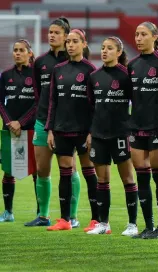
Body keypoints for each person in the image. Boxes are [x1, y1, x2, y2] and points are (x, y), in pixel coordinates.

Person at [27, 17, 82, 227]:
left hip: (66, 124)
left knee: (69, 167)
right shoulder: (40, 62)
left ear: (66, 36)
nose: (51, 35)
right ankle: (43, 216)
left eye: (56, 32)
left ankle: (73, 217)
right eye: (50, 32)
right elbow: (39, 94)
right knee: (42, 169)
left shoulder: (74, 60)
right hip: (43, 121)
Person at [45, 29, 98, 231]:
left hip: (83, 131)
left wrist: (92, 131)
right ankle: (64, 220)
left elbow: (95, 105)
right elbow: (52, 102)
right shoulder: (58, 70)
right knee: (64, 173)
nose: (70, 45)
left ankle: (95, 219)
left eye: (75, 41)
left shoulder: (91, 70)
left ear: (84, 44)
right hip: (61, 129)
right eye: (68, 41)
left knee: (89, 173)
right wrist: (50, 129)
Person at [86, 36, 138, 236]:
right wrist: (91, 132)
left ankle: (132, 224)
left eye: (109, 48)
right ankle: (103, 223)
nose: (105, 51)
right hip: (99, 134)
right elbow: (91, 106)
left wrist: (130, 127)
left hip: (121, 134)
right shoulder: (94, 76)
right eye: (103, 48)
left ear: (119, 52)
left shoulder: (126, 76)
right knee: (102, 180)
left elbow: (137, 103)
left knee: (128, 179)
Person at [128, 22, 158, 239]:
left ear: (155, 37)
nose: (138, 38)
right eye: (136, 34)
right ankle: (148, 226)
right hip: (136, 127)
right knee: (142, 177)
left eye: (143, 34)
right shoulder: (132, 64)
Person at [0, 39, 37, 222]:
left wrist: (21, 122)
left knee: (37, 171)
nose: (17, 53)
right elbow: (0, 102)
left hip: (32, 129)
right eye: (15, 50)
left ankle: (40, 212)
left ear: (30, 53)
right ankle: (8, 212)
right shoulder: (5, 75)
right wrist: (9, 123)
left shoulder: (36, 75)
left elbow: (39, 103)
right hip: (9, 130)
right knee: (8, 170)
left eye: (21, 50)